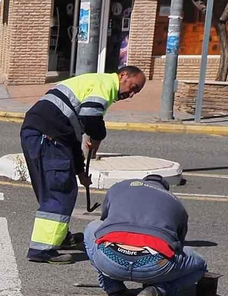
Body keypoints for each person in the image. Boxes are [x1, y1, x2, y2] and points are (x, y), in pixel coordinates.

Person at [20, 65, 146, 262]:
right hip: (48, 136)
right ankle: (41, 250)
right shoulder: (105, 85)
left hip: (44, 134)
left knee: (55, 187)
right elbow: (91, 117)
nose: (131, 94)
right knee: (59, 190)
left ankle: (58, 237)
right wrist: (98, 136)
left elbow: (72, 137)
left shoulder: (95, 84)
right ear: (123, 75)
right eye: (133, 87)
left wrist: (79, 171)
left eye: (136, 92)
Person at [83, 174, 214, 296]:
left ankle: (116, 293)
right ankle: (157, 290)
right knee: (200, 265)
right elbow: (178, 245)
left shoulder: (120, 187)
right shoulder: (175, 203)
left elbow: (104, 219)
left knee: (92, 228)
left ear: (143, 181)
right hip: (154, 264)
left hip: (110, 259)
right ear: (165, 189)